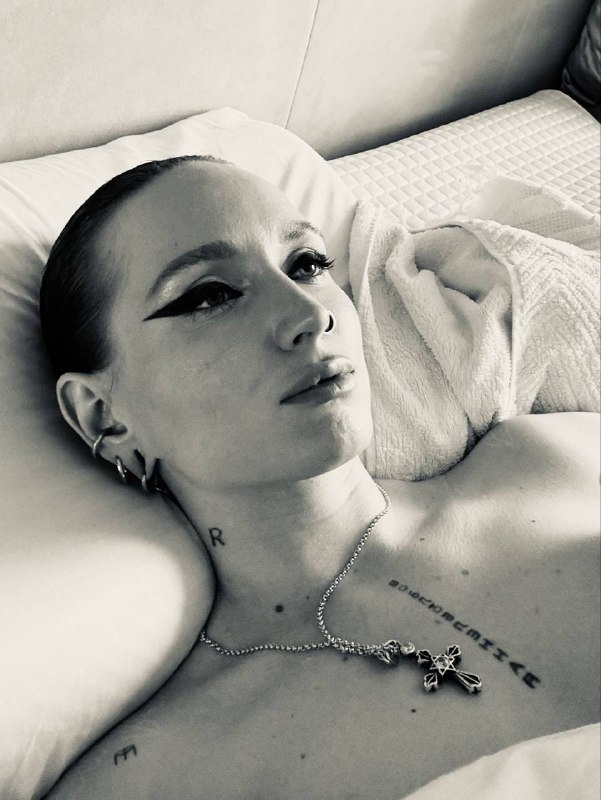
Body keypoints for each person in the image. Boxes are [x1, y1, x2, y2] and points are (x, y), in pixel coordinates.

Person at [40, 156, 599, 800]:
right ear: (104, 417)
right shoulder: (156, 775)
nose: (308, 313)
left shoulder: (556, 459)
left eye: (307, 264)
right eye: (209, 295)